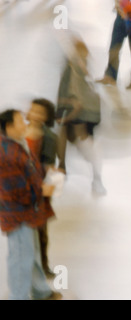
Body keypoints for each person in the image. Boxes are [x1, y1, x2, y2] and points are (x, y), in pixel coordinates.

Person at [0, 109, 62, 300]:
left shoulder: (17, 144)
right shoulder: (6, 155)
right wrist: (41, 191)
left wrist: (45, 178)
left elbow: (29, 172)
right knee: (20, 260)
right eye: (20, 121)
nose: (25, 123)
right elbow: (15, 191)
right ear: (9, 127)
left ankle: (41, 292)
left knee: (31, 253)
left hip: (28, 213)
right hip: (18, 216)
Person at [57, 37, 107, 196]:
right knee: (80, 138)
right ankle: (94, 177)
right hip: (83, 111)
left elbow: (77, 92)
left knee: (75, 136)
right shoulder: (74, 66)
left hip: (84, 112)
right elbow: (68, 91)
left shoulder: (78, 66)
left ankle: (66, 168)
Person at [25, 98, 59, 279]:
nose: (35, 115)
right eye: (33, 110)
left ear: (47, 117)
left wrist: (47, 186)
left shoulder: (49, 137)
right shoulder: (17, 131)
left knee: (40, 230)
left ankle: (43, 264)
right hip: (19, 187)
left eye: (40, 113)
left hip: (38, 187)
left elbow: (49, 165)